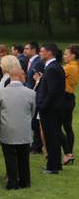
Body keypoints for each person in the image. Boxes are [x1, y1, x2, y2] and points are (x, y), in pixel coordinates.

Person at [0, 66, 35, 189]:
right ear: (21, 75)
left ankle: (12, 181)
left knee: (9, 156)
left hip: (7, 129)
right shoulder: (31, 93)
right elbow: (32, 112)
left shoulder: (0, 93)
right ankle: (25, 181)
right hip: (24, 130)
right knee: (24, 156)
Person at [35, 43, 66, 174]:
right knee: (53, 136)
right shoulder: (52, 67)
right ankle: (55, 164)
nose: (40, 53)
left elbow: (53, 92)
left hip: (51, 110)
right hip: (53, 108)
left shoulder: (52, 68)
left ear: (50, 53)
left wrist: (42, 106)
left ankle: (52, 167)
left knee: (51, 137)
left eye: (42, 51)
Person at [63, 44, 78, 166]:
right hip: (68, 98)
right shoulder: (72, 66)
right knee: (67, 126)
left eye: (66, 54)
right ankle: (69, 153)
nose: (64, 56)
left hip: (65, 97)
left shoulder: (70, 67)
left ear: (73, 55)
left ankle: (68, 153)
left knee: (62, 127)